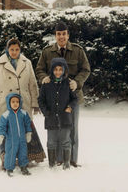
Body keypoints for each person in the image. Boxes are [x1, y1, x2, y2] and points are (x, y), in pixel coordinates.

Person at [36, 22, 91, 167]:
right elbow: (39, 69)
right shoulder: (47, 52)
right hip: (53, 98)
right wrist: (44, 78)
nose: (61, 37)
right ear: (55, 36)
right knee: (56, 128)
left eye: (64, 34)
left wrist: (77, 83)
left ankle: (72, 160)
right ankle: (59, 159)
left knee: (71, 128)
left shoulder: (78, 51)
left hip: (72, 97)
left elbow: (86, 69)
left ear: (68, 35)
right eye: (59, 34)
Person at [0, 38, 45, 171]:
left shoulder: (27, 63)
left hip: (23, 103)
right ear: (7, 49)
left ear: (20, 50)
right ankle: (5, 158)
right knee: (5, 131)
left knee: (25, 129)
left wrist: (35, 103)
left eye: (17, 49)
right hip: (4, 104)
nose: (14, 52)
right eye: (11, 49)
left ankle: (28, 156)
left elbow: (33, 84)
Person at [38, 58, 78, 169]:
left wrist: (70, 107)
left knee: (65, 141)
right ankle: (52, 164)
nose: (58, 72)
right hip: (51, 118)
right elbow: (41, 100)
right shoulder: (46, 84)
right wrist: (46, 112)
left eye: (61, 69)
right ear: (52, 70)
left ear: (64, 70)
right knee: (51, 141)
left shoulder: (68, 83)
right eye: (55, 69)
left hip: (65, 118)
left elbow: (75, 99)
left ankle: (66, 164)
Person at [0, 93, 32, 177]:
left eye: (17, 102)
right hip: (11, 139)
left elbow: (27, 124)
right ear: (9, 103)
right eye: (13, 102)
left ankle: (23, 166)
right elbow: (2, 126)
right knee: (10, 153)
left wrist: (28, 133)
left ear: (20, 103)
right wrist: (1, 135)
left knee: (23, 152)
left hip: (22, 138)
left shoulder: (23, 113)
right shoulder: (6, 115)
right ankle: (9, 168)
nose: (15, 103)